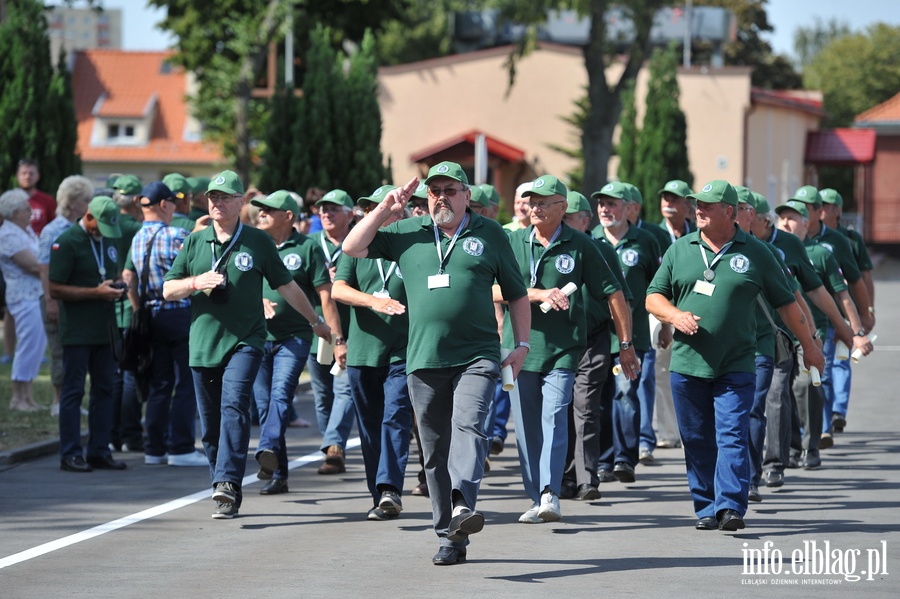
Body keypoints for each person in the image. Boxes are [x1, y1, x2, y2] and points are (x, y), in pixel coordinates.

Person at [343, 161, 531, 566]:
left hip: (477, 354)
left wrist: (522, 345)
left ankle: (463, 502)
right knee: (433, 449)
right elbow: (351, 248)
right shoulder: (406, 232)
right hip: (424, 357)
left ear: (467, 195)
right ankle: (449, 535)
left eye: (449, 190)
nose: (441, 197)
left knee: (469, 426)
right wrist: (384, 210)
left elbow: (516, 293)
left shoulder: (490, 233)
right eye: (434, 191)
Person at [646, 180, 824, 532]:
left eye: (707, 206)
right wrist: (674, 316)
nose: (698, 210)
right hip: (688, 363)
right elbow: (653, 297)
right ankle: (706, 506)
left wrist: (811, 347)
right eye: (696, 205)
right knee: (696, 439)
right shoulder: (681, 249)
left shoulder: (757, 252)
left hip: (738, 362)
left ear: (729, 212)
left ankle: (730, 506)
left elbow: (788, 305)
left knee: (731, 432)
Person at [163, 170, 331, 519]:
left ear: (241, 202)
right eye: (213, 197)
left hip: (246, 340)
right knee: (209, 426)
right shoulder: (195, 242)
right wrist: (196, 282)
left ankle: (227, 482)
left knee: (234, 407)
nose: (218, 203)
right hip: (203, 344)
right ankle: (223, 486)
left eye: (225, 197)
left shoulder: (257, 241)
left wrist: (314, 321)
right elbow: (168, 289)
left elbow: (286, 286)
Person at [249, 189, 338, 495]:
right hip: (257, 337)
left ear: (287, 216)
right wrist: (257, 298)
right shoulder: (253, 244)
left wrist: (331, 332)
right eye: (260, 210)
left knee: (281, 394)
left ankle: (268, 449)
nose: (261, 214)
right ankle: (279, 474)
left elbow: (324, 292)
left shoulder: (307, 247)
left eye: (268, 210)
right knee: (263, 405)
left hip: (295, 337)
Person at [333, 184, 414, 520]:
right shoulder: (354, 248)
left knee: (395, 416)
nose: (375, 213)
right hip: (364, 351)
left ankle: (390, 489)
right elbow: (338, 289)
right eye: (370, 209)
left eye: (383, 207)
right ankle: (378, 491)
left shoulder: (413, 244)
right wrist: (373, 301)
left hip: (406, 349)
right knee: (369, 427)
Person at [124, 182, 206, 468]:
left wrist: (138, 308)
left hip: (150, 314)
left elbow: (130, 279)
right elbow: (196, 261)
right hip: (179, 313)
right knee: (185, 383)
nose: (175, 206)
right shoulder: (175, 235)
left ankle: (155, 448)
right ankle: (181, 447)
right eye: (173, 202)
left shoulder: (137, 237)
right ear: (164, 205)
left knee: (159, 384)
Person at [49, 196, 129, 473]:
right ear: (89, 216)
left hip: (104, 329)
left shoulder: (108, 239)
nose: (103, 232)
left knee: (105, 390)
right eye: (101, 226)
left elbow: (111, 273)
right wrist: (95, 293)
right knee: (73, 392)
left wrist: (118, 287)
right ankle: (70, 453)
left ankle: (99, 450)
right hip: (78, 331)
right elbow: (55, 288)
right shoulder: (66, 242)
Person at [593, 181, 662, 481]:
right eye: (601, 205)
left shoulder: (645, 241)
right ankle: (604, 459)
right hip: (597, 336)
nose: (605, 210)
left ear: (627, 208)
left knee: (625, 394)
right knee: (601, 398)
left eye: (611, 204)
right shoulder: (590, 238)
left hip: (632, 338)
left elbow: (659, 288)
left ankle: (625, 458)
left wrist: (665, 326)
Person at [817, 188, 874, 438]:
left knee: (841, 358)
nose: (823, 209)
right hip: (822, 310)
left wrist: (867, 311)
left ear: (837, 210)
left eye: (828, 205)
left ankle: (838, 411)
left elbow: (863, 276)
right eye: (820, 204)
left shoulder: (849, 238)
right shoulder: (808, 236)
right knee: (828, 364)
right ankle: (829, 414)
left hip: (844, 306)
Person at [39, 176, 94, 416]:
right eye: (85, 200)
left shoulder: (81, 228)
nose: (88, 205)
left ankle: (72, 399)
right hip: (56, 297)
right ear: (72, 202)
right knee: (59, 350)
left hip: (75, 299)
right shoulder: (53, 230)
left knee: (75, 352)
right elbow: (44, 268)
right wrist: (50, 301)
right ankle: (57, 400)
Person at [308, 189, 352, 475]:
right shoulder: (311, 243)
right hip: (317, 332)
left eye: (334, 209)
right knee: (323, 395)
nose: (326, 213)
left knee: (344, 388)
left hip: (350, 330)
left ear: (350, 214)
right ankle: (331, 445)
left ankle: (334, 445)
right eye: (323, 209)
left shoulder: (360, 242)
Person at [0, 189, 47, 412]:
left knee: (37, 346)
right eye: (26, 208)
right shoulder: (8, 234)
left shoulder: (26, 231)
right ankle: (17, 397)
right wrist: (51, 270)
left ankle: (27, 396)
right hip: (22, 296)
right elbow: (31, 265)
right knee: (28, 345)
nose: (31, 211)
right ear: (14, 212)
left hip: (35, 295)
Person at [17, 159, 56, 236]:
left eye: (31, 173)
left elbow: (55, 226)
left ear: (38, 176)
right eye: (24, 173)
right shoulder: (9, 201)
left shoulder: (48, 200)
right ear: (18, 176)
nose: (27, 176)